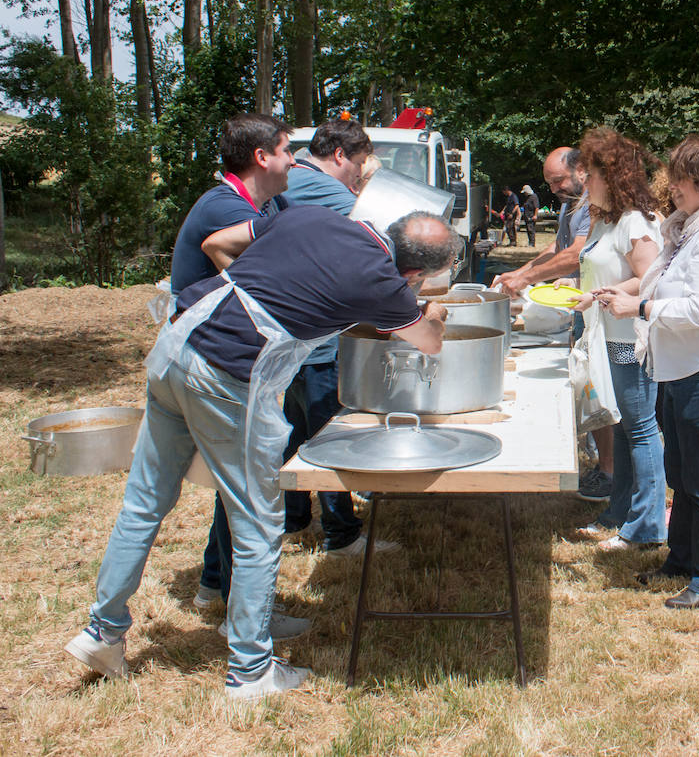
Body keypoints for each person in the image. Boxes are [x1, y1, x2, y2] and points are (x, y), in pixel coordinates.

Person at [64, 207, 457, 699]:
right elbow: (429, 344)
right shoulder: (385, 282)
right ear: (416, 273)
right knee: (258, 523)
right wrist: (433, 314)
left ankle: (103, 632)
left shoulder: (318, 217)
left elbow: (221, 243)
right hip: (227, 374)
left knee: (144, 502)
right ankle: (250, 669)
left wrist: (258, 295)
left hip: (178, 343)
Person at [597, 131, 699, 608]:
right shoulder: (697, 222)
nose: (672, 188)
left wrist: (640, 310)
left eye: (681, 179)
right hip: (684, 367)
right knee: (682, 474)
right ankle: (682, 561)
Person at [168, 115, 298, 619]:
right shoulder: (224, 208)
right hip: (212, 366)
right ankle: (239, 614)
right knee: (248, 490)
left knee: (232, 485)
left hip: (229, 362)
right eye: (287, 150)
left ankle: (213, 584)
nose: (294, 160)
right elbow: (278, 275)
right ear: (262, 157)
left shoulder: (268, 204)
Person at [277, 118, 397, 560]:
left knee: (294, 430)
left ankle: (293, 519)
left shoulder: (290, 181)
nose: (358, 174)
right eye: (358, 164)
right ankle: (341, 534)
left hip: (289, 339)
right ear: (341, 156)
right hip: (316, 340)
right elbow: (387, 228)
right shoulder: (321, 186)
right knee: (330, 435)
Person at [563, 128, 666, 553]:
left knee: (640, 430)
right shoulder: (605, 220)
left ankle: (646, 526)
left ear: (615, 176)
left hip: (631, 338)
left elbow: (652, 279)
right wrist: (583, 293)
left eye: (592, 174)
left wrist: (601, 296)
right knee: (622, 429)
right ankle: (619, 513)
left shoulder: (635, 222)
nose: (585, 182)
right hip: (604, 335)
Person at [493, 149, 609, 500]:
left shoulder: (593, 203)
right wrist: (522, 272)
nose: (554, 188)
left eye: (558, 180)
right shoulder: (568, 202)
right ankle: (602, 459)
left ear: (580, 171)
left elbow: (576, 254)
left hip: (598, 306)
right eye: (549, 183)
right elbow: (557, 249)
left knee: (600, 388)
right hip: (578, 304)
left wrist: (527, 278)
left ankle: (611, 473)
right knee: (587, 384)